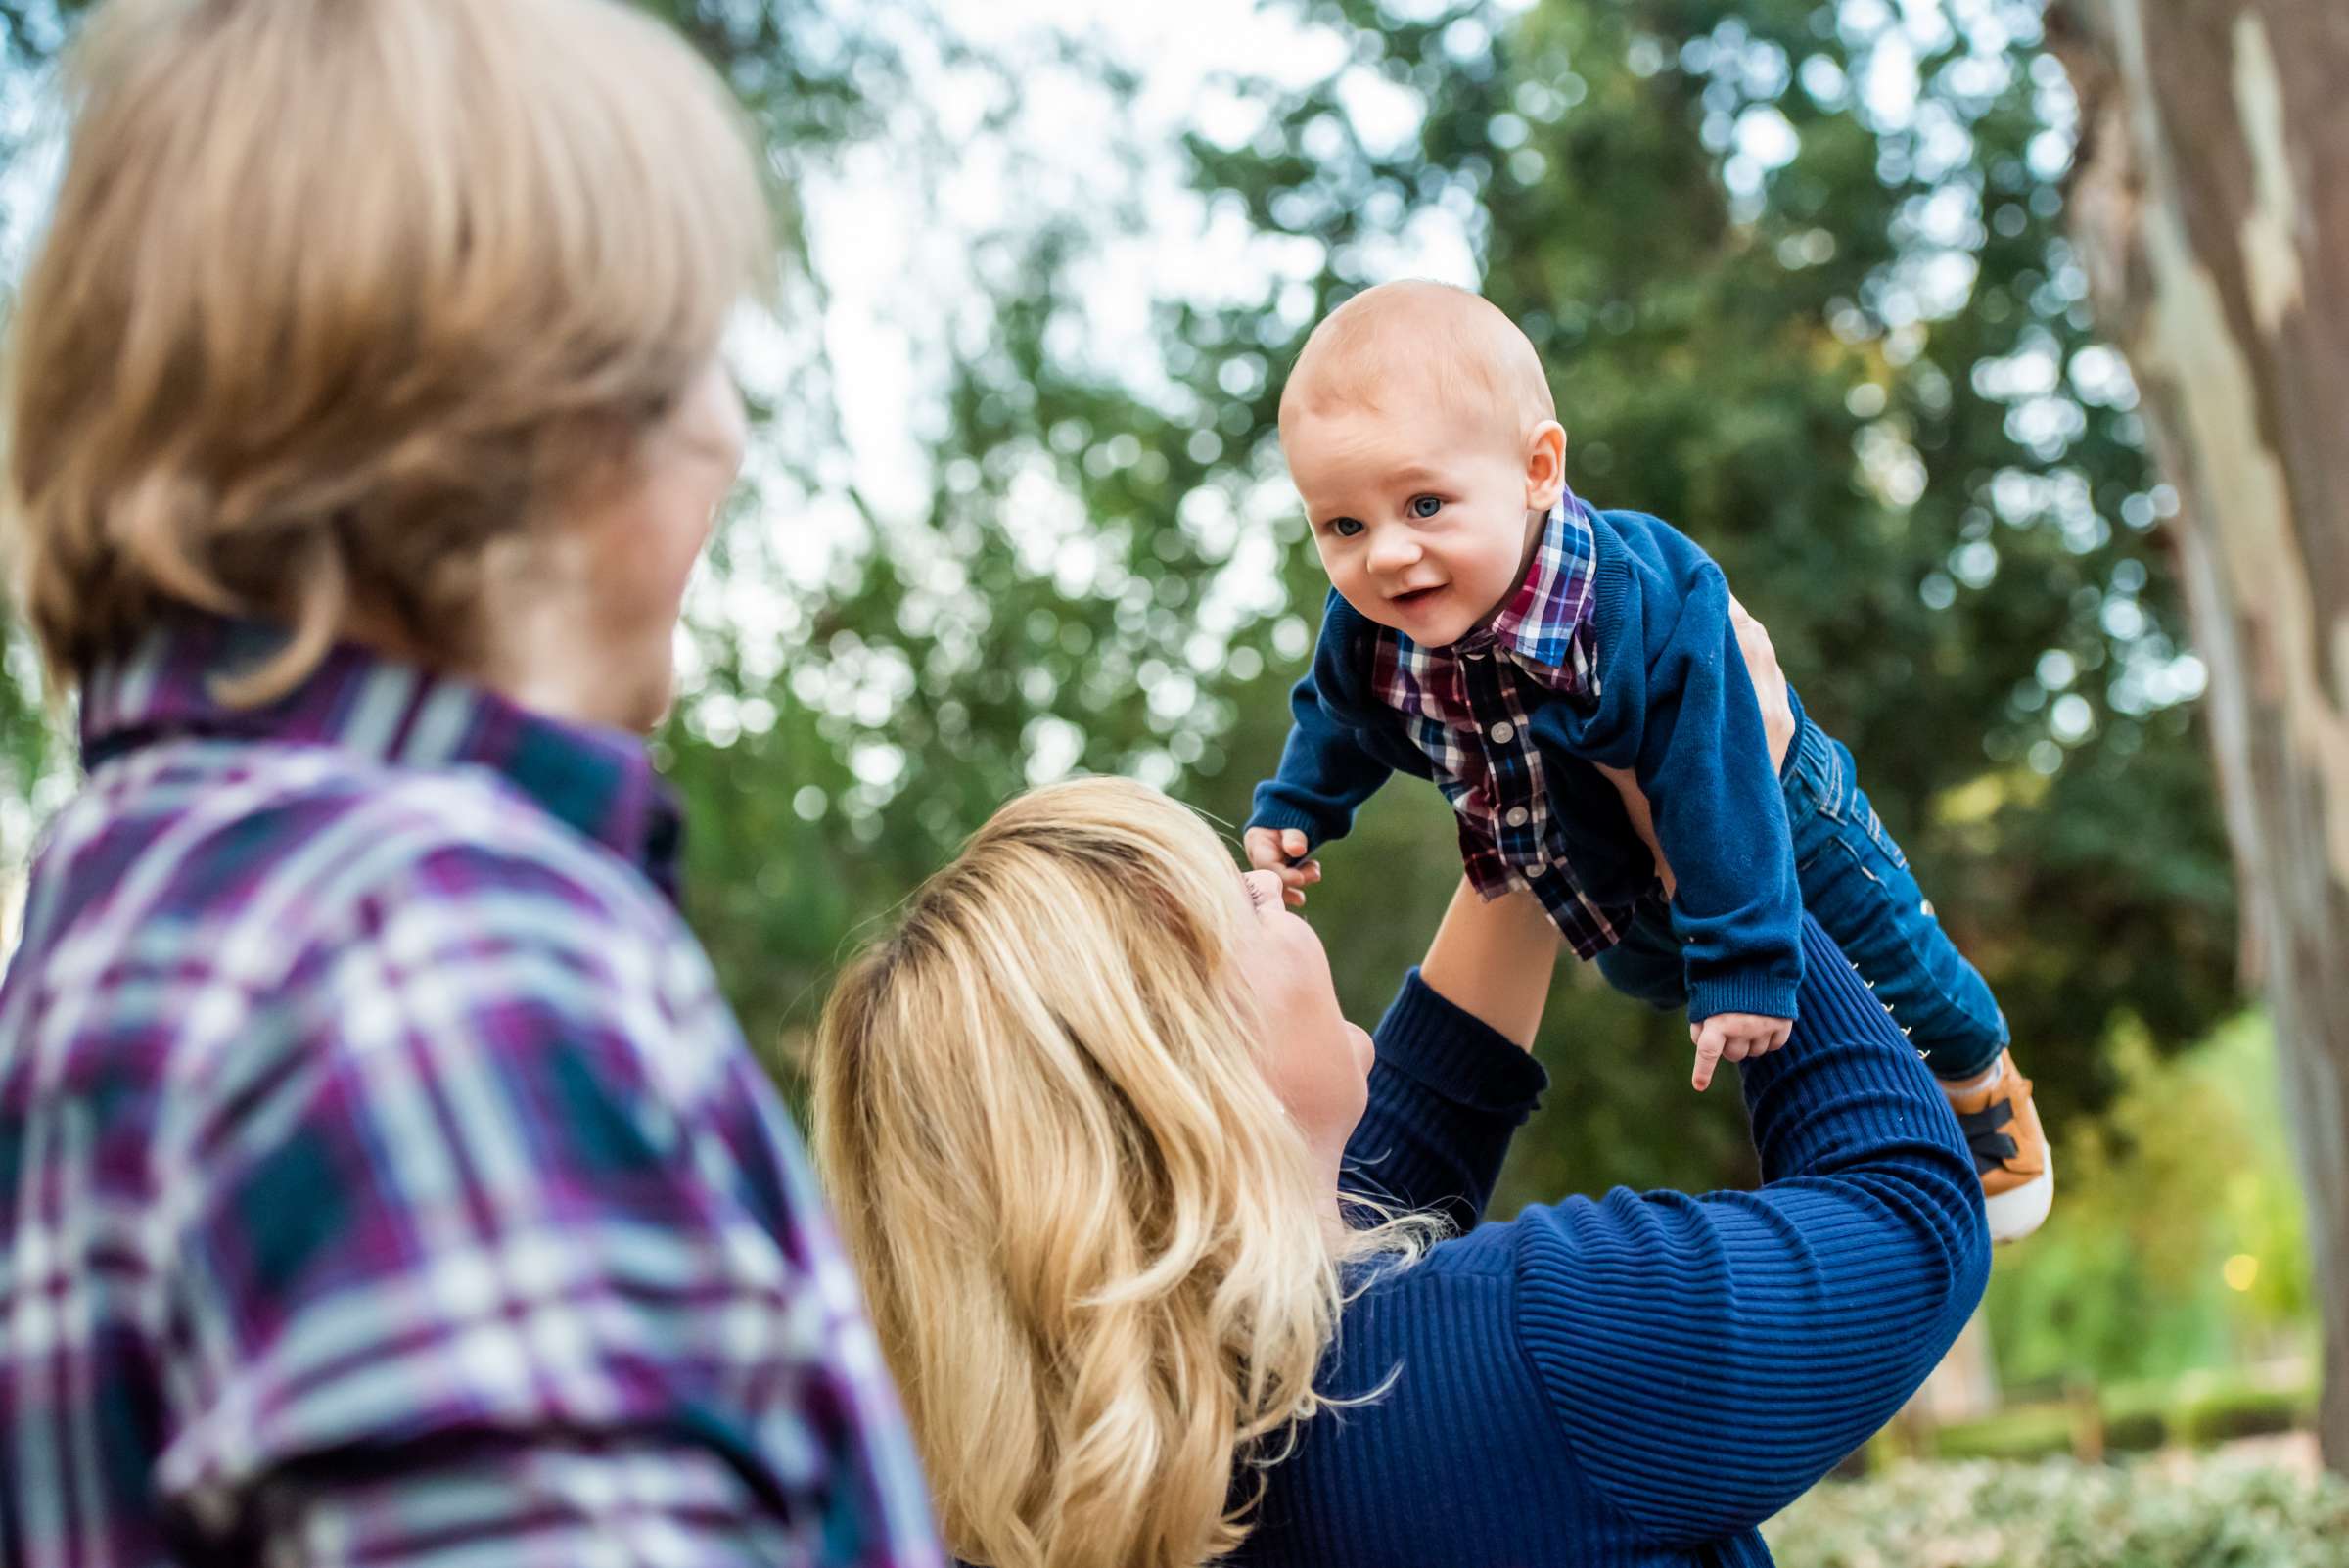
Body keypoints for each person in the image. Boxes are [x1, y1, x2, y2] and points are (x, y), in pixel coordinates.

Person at [0, 1, 941, 1562]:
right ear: (540, 414)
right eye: (697, 354)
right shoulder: (429, 943)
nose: (733, 433)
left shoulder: (117, 918)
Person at [811, 613, 1993, 1568]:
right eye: (1248, 909)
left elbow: (1392, 1169)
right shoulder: (1545, 1347)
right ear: (1192, 1071)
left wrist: (1532, 783)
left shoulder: (1092, 1473)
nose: (1282, 907)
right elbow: (1908, 1212)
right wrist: (1719, 799)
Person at [1243, 278, 2050, 1240]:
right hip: (1609, 882)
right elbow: (1338, 717)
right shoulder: (1374, 627)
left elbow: (1710, 781)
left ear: (1538, 469)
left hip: (1774, 819)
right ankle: (1865, 1064)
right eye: (1344, 526)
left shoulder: (1639, 600)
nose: (1386, 556)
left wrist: (1748, 959)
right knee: (1668, 981)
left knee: (1890, 958)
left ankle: (1977, 1073)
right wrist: (1298, 806)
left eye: (1425, 503)